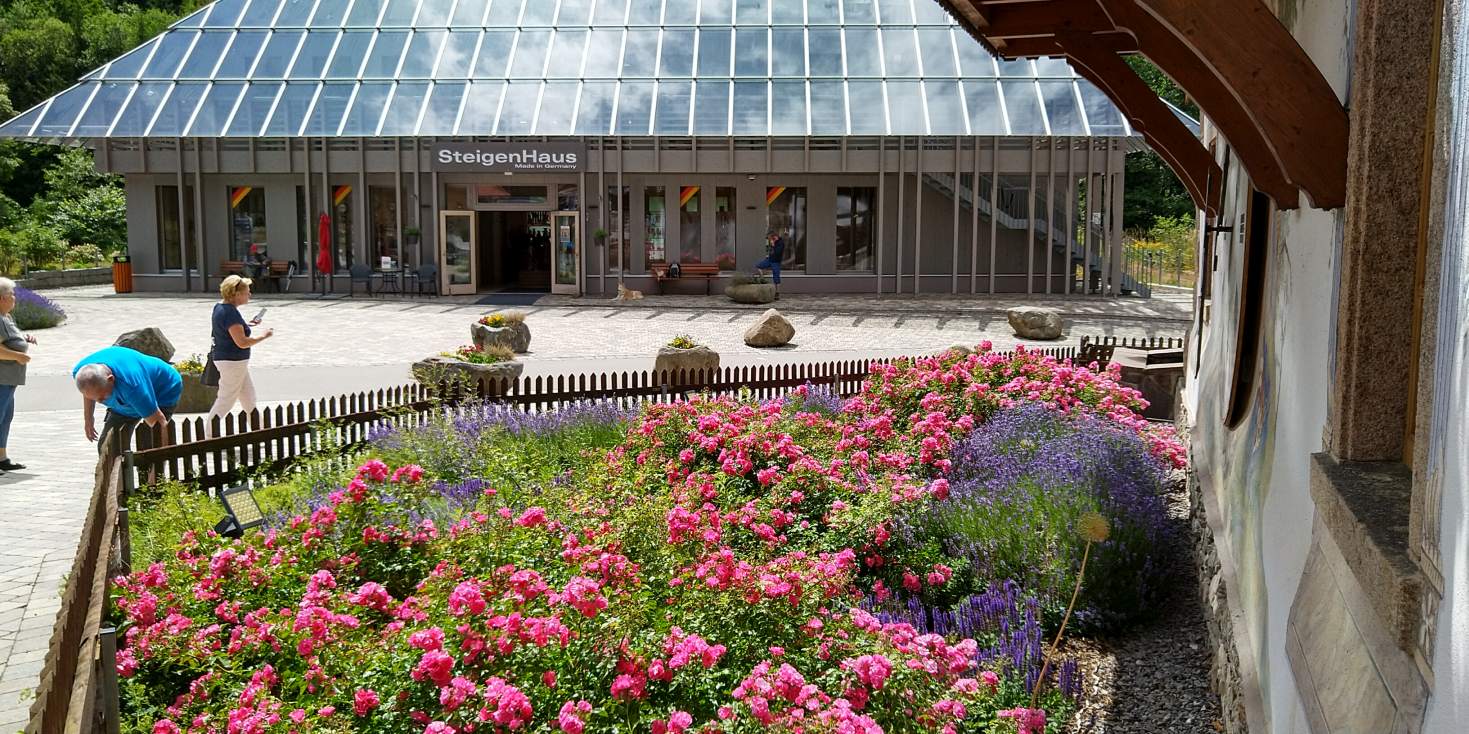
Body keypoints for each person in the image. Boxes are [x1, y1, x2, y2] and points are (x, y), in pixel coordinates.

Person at [74, 346, 183, 454]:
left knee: (150, 444)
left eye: (102, 397)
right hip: (130, 387)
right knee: (109, 447)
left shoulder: (133, 387)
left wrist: (165, 453)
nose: (99, 402)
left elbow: (158, 422)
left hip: (163, 387)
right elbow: (89, 391)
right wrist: (88, 419)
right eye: (95, 398)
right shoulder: (81, 372)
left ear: (111, 379)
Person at [208, 275, 273, 428]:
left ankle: (260, 431)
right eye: (246, 292)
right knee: (226, 400)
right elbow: (242, 342)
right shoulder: (230, 313)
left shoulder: (220, 307)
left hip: (230, 361)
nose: (249, 294)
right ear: (236, 294)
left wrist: (248, 325)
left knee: (249, 398)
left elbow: (231, 330)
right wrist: (264, 336)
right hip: (233, 362)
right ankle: (209, 435)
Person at [0, 278, 36, 473]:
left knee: (5, 417)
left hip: (9, 378)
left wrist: (24, 338)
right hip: (2, 378)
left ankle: (2, 458)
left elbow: (10, 338)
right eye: (11, 295)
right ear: (2, 298)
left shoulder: (6, 317)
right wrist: (18, 356)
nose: (14, 298)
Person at [756, 230, 786, 295]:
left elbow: (777, 253)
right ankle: (762, 279)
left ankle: (777, 292)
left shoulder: (780, 243)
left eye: (770, 238)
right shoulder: (773, 241)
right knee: (758, 266)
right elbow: (770, 251)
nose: (769, 240)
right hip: (769, 260)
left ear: (774, 237)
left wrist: (773, 245)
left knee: (776, 277)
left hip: (776, 262)